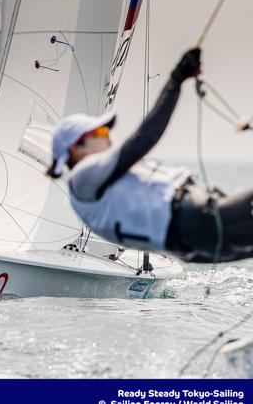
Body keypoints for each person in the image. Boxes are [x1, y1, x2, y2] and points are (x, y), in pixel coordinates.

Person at [47, 48, 252, 263]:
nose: (107, 138)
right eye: (99, 132)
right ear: (75, 148)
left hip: (192, 241)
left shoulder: (89, 198)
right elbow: (144, 139)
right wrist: (176, 79)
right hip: (195, 220)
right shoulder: (83, 177)